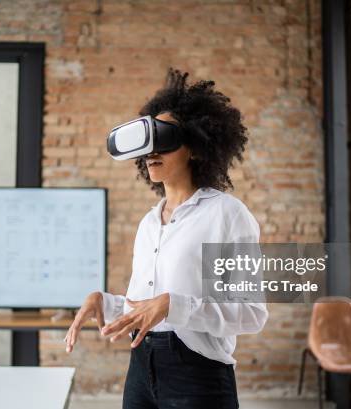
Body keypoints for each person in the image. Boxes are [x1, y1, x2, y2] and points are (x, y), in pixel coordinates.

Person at [64, 68, 268, 409]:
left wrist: (175, 305)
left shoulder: (227, 215)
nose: (152, 151)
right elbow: (145, 306)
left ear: (196, 147)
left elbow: (252, 313)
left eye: (166, 138)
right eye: (148, 143)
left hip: (198, 375)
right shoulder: (149, 223)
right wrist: (106, 302)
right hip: (140, 369)